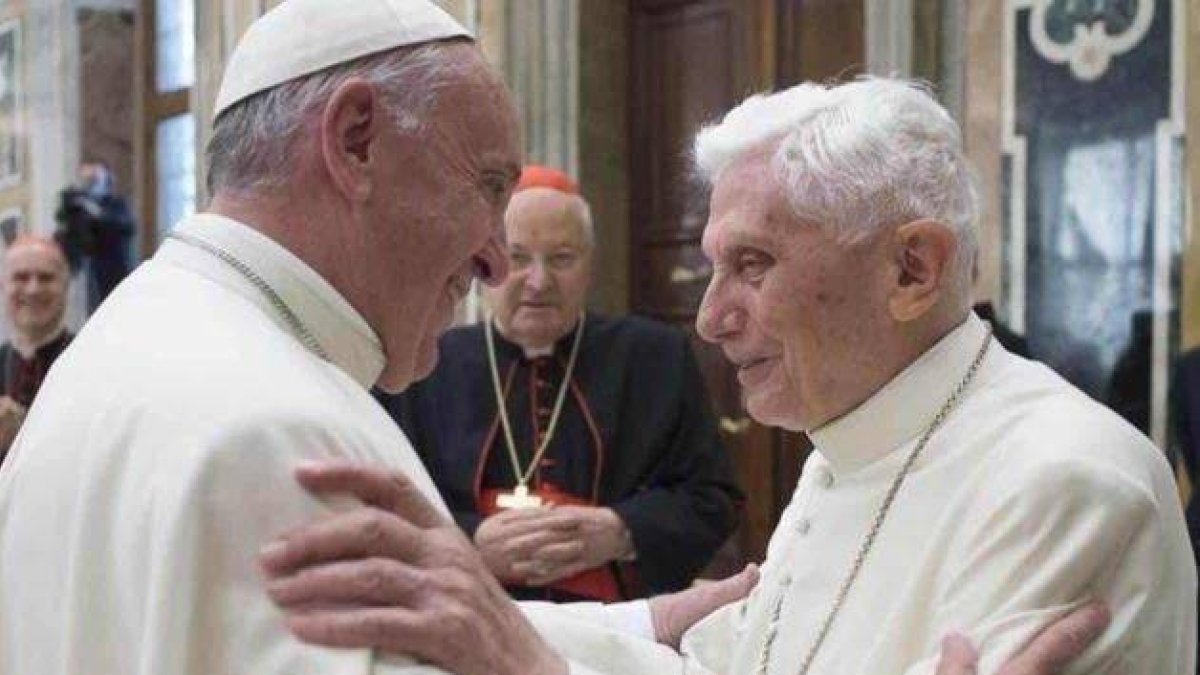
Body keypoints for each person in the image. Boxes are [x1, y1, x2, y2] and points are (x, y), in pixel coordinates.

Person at [258, 77, 1193, 674]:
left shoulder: (1064, 484)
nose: (710, 317)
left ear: (912, 269)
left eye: (753, 266)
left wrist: (520, 661)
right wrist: (483, 622)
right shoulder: (846, 444)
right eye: (713, 267)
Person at [0, 2, 558, 674]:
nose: (497, 260)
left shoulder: (127, 337)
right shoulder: (285, 437)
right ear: (356, 141)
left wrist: (655, 623)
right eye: (488, 186)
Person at [379, 165, 741, 602]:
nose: (538, 281)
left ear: (589, 264)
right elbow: (383, 500)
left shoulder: (654, 357)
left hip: (621, 622)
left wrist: (621, 531)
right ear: (483, 263)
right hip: (467, 608)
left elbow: (713, 499)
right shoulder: (423, 364)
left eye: (561, 258)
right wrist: (469, 543)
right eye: (517, 258)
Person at [0, 235, 72, 464]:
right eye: (21, 277)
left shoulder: (90, 361)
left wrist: (23, 432)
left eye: (46, 278)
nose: (33, 289)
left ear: (65, 286)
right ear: (3, 286)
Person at [54, 161, 136, 311]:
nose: (89, 184)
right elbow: (66, 227)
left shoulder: (116, 203)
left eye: (94, 179)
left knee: (117, 306)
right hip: (91, 267)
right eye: (86, 180)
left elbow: (126, 226)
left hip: (115, 265)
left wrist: (96, 212)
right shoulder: (80, 205)